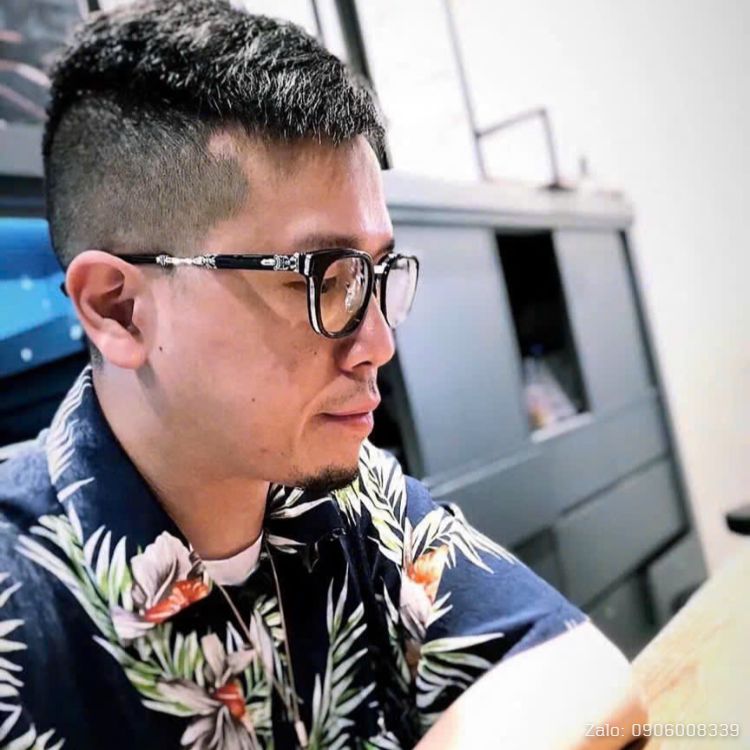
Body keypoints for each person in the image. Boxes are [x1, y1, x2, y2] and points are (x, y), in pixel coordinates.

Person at [0, 2, 647, 748]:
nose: (378, 343)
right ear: (119, 309)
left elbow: (579, 670)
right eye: (320, 277)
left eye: (375, 273)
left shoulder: (347, 494)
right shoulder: (22, 604)